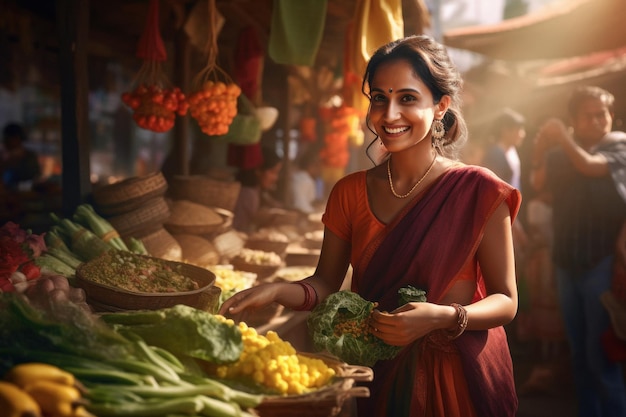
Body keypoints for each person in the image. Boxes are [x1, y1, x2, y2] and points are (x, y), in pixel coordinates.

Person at [221, 35, 520, 417]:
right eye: (379, 97)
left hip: (456, 377)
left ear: (440, 105)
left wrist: (444, 316)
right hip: (381, 371)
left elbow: (506, 300)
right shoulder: (349, 192)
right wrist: (279, 289)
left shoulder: (479, 189)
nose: (389, 114)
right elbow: (326, 283)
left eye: (407, 98)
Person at [531, 85, 626, 417]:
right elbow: (539, 183)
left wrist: (562, 138)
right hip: (565, 263)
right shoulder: (561, 154)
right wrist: (543, 147)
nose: (598, 120)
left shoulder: (619, 147)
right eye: (589, 115)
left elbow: (590, 166)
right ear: (574, 120)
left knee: (600, 355)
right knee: (579, 357)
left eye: (603, 113)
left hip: (602, 264)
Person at [232, 146, 284, 233]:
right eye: (273, 172)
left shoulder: (255, 191)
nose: (276, 178)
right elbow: (240, 228)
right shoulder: (247, 193)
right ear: (258, 170)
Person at [1, 122, 41, 190]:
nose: (6, 141)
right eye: (5, 138)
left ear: (18, 139)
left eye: (9, 138)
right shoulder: (3, 155)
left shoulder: (29, 157)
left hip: (23, 194)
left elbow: (34, 178)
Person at [289, 145, 323, 214]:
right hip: (306, 211)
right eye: (317, 167)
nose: (319, 170)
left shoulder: (294, 177)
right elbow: (311, 200)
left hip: (293, 210)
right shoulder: (309, 181)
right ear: (311, 167)